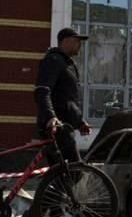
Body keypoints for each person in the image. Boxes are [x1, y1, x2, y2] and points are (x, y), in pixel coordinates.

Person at [34, 27, 92, 163]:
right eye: (77, 40)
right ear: (65, 41)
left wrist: (79, 121)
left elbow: (67, 99)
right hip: (56, 126)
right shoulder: (54, 60)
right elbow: (42, 90)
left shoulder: (66, 63)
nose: (80, 44)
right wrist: (50, 117)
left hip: (64, 125)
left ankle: (52, 184)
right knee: (73, 170)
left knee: (64, 172)